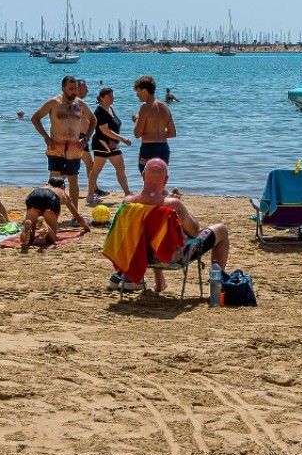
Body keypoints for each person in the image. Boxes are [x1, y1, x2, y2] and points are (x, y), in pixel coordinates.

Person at [115, 158, 231, 296]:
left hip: (140, 255)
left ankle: (160, 282)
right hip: (172, 257)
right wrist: (179, 208)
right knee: (221, 230)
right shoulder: (173, 205)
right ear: (166, 179)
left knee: (153, 233)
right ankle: (216, 288)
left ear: (143, 175)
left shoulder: (128, 202)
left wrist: (166, 198)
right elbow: (194, 232)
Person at [32, 77, 93, 227]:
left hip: (73, 148)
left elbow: (93, 120)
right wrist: (46, 137)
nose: (74, 92)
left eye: (76, 88)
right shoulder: (54, 102)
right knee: (54, 182)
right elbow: (35, 118)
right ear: (63, 88)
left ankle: (75, 215)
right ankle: (50, 213)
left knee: (73, 180)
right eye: (71, 88)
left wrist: (85, 139)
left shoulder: (80, 104)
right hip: (56, 147)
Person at [89, 86, 132, 201]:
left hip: (113, 145)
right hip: (101, 144)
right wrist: (122, 139)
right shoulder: (99, 111)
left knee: (121, 167)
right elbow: (105, 130)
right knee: (96, 170)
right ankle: (90, 194)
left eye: (112, 95)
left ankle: (127, 193)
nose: (112, 97)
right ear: (101, 98)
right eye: (109, 96)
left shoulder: (110, 108)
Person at [134, 76, 176, 170]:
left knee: (147, 179)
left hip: (149, 148)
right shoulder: (165, 107)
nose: (137, 94)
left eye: (138, 91)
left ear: (144, 91)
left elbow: (137, 134)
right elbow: (172, 133)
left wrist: (136, 120)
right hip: (164, 149)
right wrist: (159, 133)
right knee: (160, 180)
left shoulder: (145, 108)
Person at [22, 177, 66, 251]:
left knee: (29, 241)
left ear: (47, 183)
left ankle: (28, 228)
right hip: (51, 197)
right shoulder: (61, 191)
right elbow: (75, 213)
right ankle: (44, 223)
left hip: (34, 196)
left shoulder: (42, 186)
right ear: (62, 186)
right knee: (51, 239)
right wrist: (85, 227)